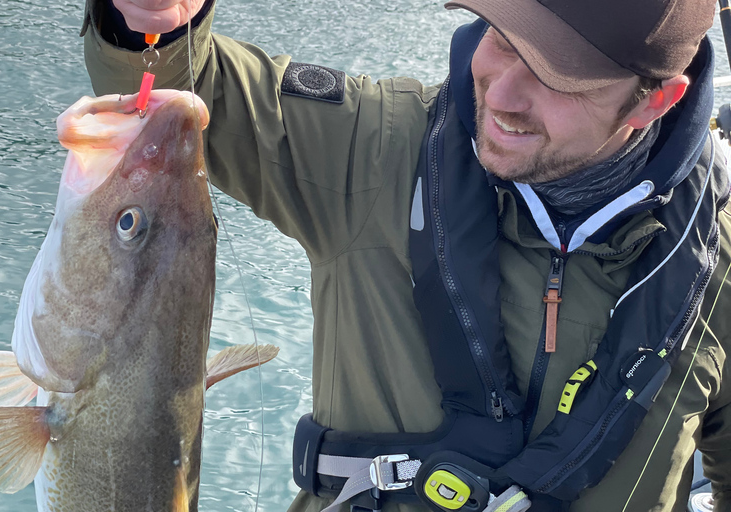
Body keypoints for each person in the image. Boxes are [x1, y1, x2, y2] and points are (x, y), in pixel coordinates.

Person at [81, 0, 731, 510]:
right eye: (502, 36)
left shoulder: (717, 256)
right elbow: (185, 94)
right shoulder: (376, 142)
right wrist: (151, 22)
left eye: (558, 77)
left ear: (655, 100)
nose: (501, 95)